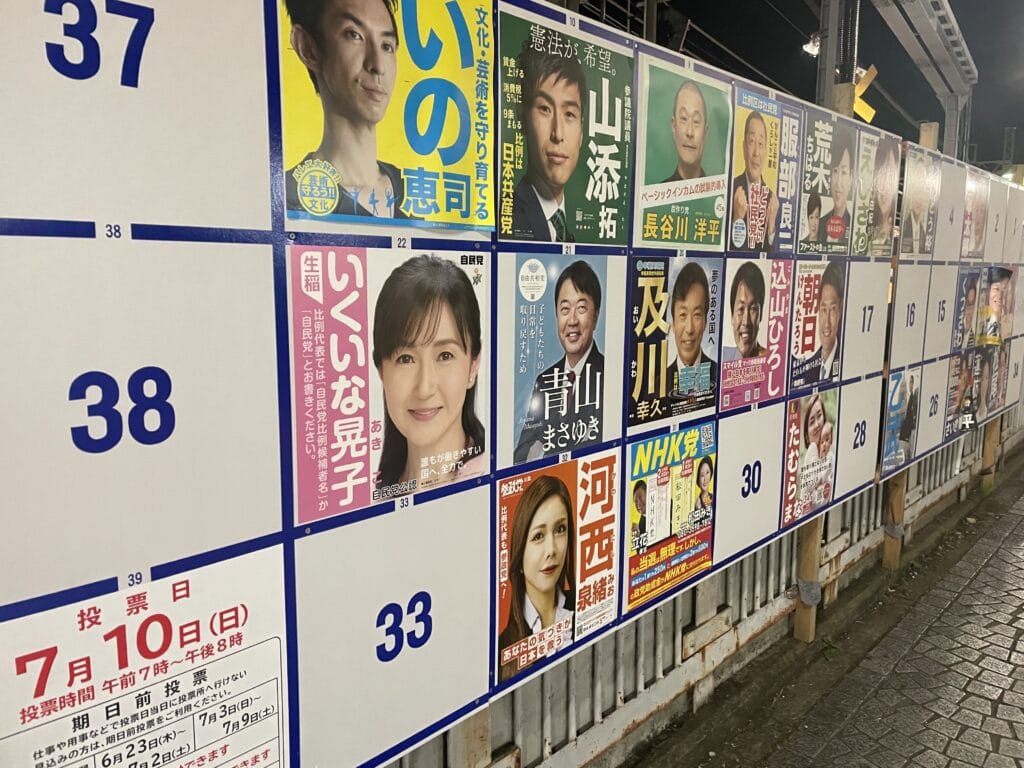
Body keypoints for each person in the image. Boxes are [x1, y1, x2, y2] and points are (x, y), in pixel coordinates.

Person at [284, 0, 409, 219]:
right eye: (354, 35)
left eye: (386, 46)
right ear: (307, 47)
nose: (378, 66)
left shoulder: (412, 196)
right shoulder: (290, 198)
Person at [372, 255, 486, 491]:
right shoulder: (373, 493)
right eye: (405, 359)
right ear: (381, 369)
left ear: (473, 365)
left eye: (445, 356)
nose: (424, 388)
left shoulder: (487, 475)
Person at [514, 261, 604, 462]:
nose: (572, 320)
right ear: (556, 315)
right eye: (565, 309)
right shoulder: (545, 380)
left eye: (581, 308)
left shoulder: (609, 375)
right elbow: (522, 452)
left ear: (596, 315)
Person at [499, 475, 576, 682]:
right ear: (520, 548)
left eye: (560, 530)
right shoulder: (503, 646)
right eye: (538, 536)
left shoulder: (582, 608)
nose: (551, 550)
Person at [511, 43, 586, 242]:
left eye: (569, 114)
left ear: (582, 132)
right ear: (522, 118)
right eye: (545, 109)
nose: (558, 133)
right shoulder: (509, 219)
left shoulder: (571, 229)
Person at [665, 261, 717, 398]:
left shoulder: (719, 375)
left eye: (697, 315)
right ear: (673, 324)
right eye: (682, 315)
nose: (689, 328)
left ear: (705, 321)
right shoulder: (657, 384)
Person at [731, 111, 779, 250]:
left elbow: (772, 257)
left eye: (761, 144)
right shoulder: (731, 189)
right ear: (744, 147)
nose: (756, 152)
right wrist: (737, 219)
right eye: (752, 142)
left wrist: (771, 227)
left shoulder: (772, 201)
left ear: (766, 151)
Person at [799, 260, 845, 383]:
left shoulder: (845, 361)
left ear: (840, 310)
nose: (826, 324)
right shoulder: (808, 368)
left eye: (833, 310)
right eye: (824, 310)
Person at [662, 81, 708, 183]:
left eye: (696, 121)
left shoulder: (716, 193)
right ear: (674, 127)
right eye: (683, 118)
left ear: (705, 133)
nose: (690, 132)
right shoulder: (657, 195)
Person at [816, 127, 854, 245]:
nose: (838, 183)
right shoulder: (819, 225)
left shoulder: (854, 227)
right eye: (835, 171)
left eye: (844, 172)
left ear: (851, 178)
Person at [722, 261, 766, 361]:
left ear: (761, 314)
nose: (746, 322)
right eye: (741, 309)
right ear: (732, 316)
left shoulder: (773, 361)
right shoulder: (721, 358)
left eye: (753, 309)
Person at [869, 139, 899, 253]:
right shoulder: (865, 222)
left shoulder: (896, 237)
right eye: (881, 174)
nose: (885, 184)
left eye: (890, 175)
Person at [900, 155, 932, 254]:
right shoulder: (904, 227)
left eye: (921, 191)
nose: (919, 198)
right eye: (916, 191)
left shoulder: (924, 232)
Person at [898, 374, 918, 460]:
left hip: (910, 432)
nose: (910, 385)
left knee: (909, 455)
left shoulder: (914, 397)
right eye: (909, 383)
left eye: (911, 382)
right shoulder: (910, 398)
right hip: (907, 433)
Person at [956, 275, 978, 349]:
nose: (969, 311)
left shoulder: (974, 338)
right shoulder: (957, 334)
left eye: (972, 305)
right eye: (967, 304)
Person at [632, 480, 648, 550]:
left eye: (640, 497)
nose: (638, 505)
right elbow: (640, 553)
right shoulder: (640, 526)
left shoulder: (665, 504)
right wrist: (636, 535)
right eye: (635, 501)